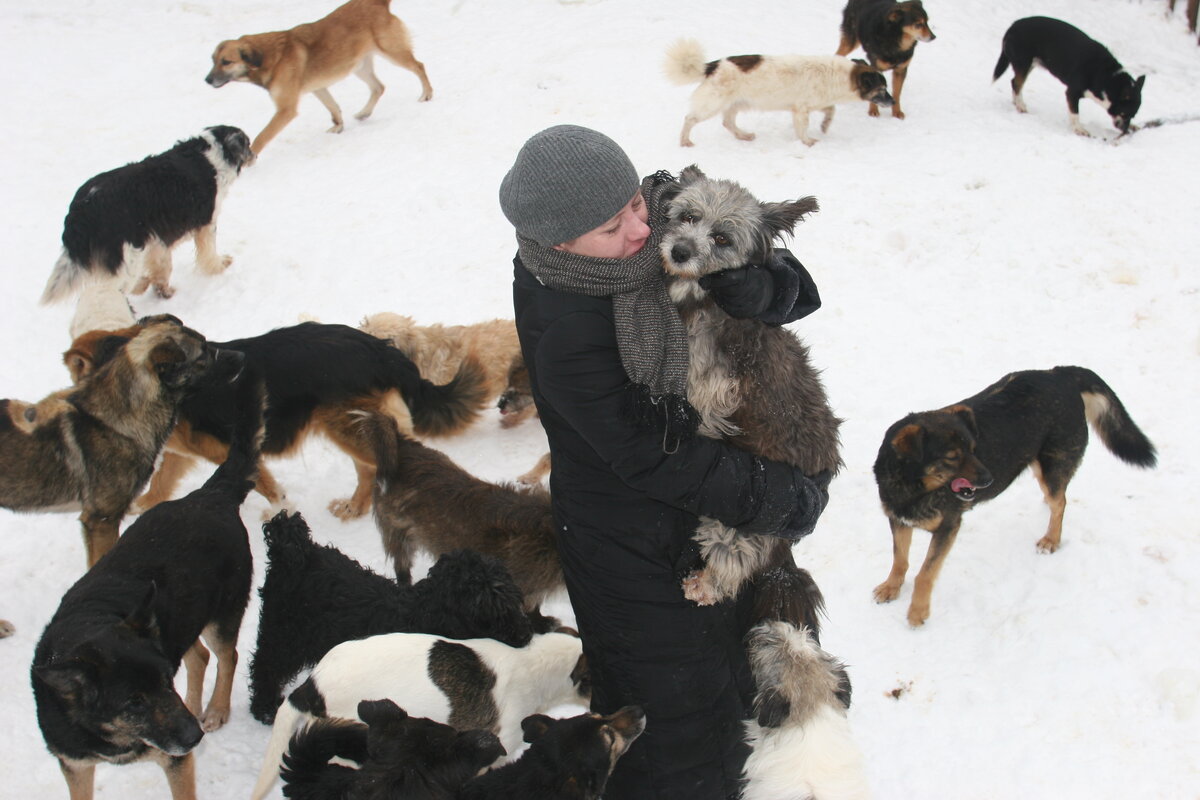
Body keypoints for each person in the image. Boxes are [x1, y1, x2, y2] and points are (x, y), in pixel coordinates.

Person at [499, 125, 829, 799]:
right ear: (559, 244)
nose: (639, 233)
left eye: (635, 207)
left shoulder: (670, 215)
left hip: (703, 523)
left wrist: (758, 290)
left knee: (733, 693)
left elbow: (795, 287)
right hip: (632, 554)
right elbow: (650, 456)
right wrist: (782, 495)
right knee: (675, 738)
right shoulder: (568, 327)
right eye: (609, 228)